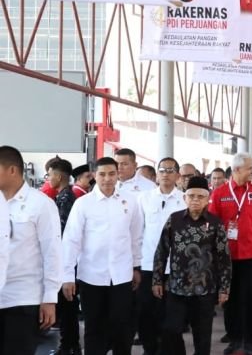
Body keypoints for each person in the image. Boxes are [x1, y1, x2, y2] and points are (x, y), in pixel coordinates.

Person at [61, 156, 144, 355]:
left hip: (121, 275)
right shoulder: (83, 204)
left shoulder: (130, 201)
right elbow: (71, 240)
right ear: (94, 176)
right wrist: (67, 276)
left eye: (112, 174)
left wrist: (136, 266)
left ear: (117, 175)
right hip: (91, 276)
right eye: (102, 174)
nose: (107, 179)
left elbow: (136, 237)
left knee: (122, 327)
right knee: (94, 327)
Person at [153, 175, 232, 355]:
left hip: (205, 289)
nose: (195, 200)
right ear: (184, 197)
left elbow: (224, 257)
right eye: (191, 196)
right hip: (176, 287)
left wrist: (224, 288)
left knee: (202, 335)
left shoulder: (215, 223)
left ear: (207, 198)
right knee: (171, 330)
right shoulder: (174, 219)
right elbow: (161, 251)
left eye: (200, 196)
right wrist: (157, 280)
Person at [0, 146, 61, 355]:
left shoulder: (41, 204)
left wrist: (50, 298)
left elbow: (52, 252)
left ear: (12, 170)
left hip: (23, 297)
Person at [208, 152, 252, 355]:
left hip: (251, 255)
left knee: (250, 299)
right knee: (230, 299)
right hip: (227, 256)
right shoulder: (219, 193)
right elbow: (213, 225)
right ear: (236, 169)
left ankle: (251, 341)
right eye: (249, 168)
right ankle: (234, 339)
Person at [136, 157, 186, 355]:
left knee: (172, 318)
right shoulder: (144, 198)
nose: (166, 174)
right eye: (162, 170)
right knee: (146, 314)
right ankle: (150, 350)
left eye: (170, 170)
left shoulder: (185, 199)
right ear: (157, 175)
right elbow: (137, 232)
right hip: (148, 265)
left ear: (177, 175)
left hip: (175, 267)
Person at [49, 158, 82, 355]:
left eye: (50, 175)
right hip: (65, 260)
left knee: (67, 303)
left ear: (59, 176)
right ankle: (70, 344)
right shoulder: (65, 196)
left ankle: (68, 345)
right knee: (67, 305)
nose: (48, 179)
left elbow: (61, 233)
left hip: (65, 260)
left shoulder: (65, 198)